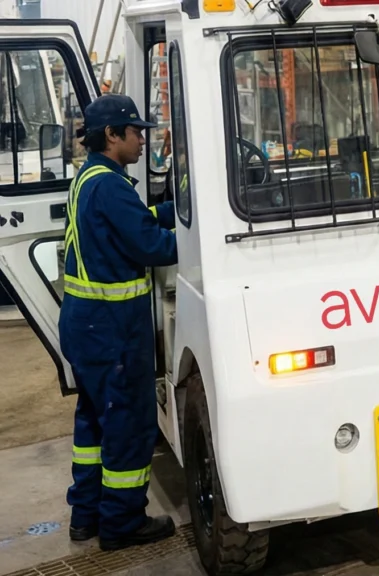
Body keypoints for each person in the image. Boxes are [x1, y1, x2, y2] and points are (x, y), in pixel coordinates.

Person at [59, 94, 178, 551]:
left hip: (86, 326)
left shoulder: (92, 178)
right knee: (127, 424)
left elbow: (132, 223)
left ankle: (85, 516)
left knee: (94, 422)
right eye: (136, 132)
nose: (142, 140)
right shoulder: (109, 184)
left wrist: (172, 210)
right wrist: (197, 235)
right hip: (111, 330)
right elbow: (152, 246)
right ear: (112, 135)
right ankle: (123, 523)